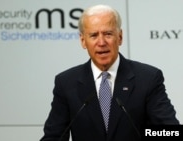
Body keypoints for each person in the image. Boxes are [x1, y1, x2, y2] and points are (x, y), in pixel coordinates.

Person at [40, 4, 179, 141]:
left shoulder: (148, 78)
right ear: (83, 41)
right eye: (94, 35)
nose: (101, 42)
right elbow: (53, 136)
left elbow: (169, 131)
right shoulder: (66, 83)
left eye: (108, 34)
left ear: (120, 37)